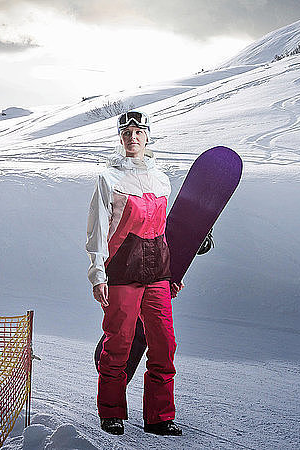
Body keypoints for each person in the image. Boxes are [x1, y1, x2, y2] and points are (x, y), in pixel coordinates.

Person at [85, 110, 183, 436]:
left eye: (138, 131)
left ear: (147, 135)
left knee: (164, 345)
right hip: (122, 272)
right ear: (120, 138)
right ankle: (111, 412)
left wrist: (172, 271)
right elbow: (98, 230)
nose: (132, 137)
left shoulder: (162, 178)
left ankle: (159, 417)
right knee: (119, 344)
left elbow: (162, 231)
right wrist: (97, 274)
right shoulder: (108, 179)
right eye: (126, 132)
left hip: (157, 273)